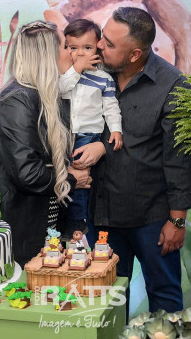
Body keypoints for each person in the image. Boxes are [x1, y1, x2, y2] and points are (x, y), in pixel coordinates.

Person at [72, 7, 191, 313]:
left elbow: (182, 160)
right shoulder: (92, 74)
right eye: (103, 37)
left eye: (109, 44)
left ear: (135, 55)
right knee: (108, 299)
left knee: (165, 295)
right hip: (101, 213)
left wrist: (177, 221)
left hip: (151, 217)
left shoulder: (173, 86)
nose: (99, 45)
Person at [0, 20, 91, 266]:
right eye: (65, 47)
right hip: (22, 226)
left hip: (46, 221)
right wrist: (71, 179)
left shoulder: (44, 96)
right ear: (48, 55)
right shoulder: (17, 101)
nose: (71, 53)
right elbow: (29, 174)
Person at [58, 19, 123, 242]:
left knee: (81, 177)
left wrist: (116, 129)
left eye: (87, 47)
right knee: (63, 177)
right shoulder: (64, 75)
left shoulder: (104, 79)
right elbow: (61, 89)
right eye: (73, 48)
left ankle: (78, 220)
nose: (80, 53)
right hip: (63, 135)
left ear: (98, 48)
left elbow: (111, 107)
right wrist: (76, 70)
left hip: (88, 136)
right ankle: (62, 221)